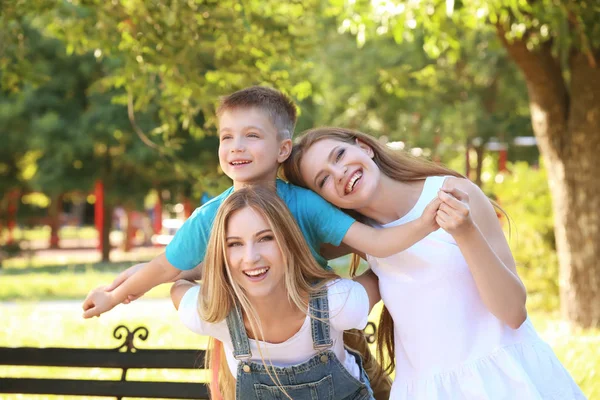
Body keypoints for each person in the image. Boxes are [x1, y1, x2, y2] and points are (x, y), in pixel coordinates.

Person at [82, 86, 440, 399]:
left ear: (283, 148)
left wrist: (426, 222)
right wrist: (113, 296)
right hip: (249, 350)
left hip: (330, 338)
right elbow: (164, 268)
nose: (236, 146)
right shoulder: (209, 219)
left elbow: (371, 241)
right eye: (226, 137)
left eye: (251, 135)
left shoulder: (307, 204)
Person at [283, 127, 586, 400]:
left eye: (339, 155)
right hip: (426, 389)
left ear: (365, 147)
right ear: (323, 202)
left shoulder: (454, 194)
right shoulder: (363, 238)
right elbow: (274, 243)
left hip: (503, 379)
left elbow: (513, 313)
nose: (338, 173)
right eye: (322, 180)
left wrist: (465, 232)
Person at [169, 186, 379, 399]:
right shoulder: (213, 315)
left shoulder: (336, 304)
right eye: (234, 244)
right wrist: (218, 267)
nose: (250, 257)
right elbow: (178, 284)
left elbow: (385, 269)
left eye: (266, 238)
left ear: (289, 243)